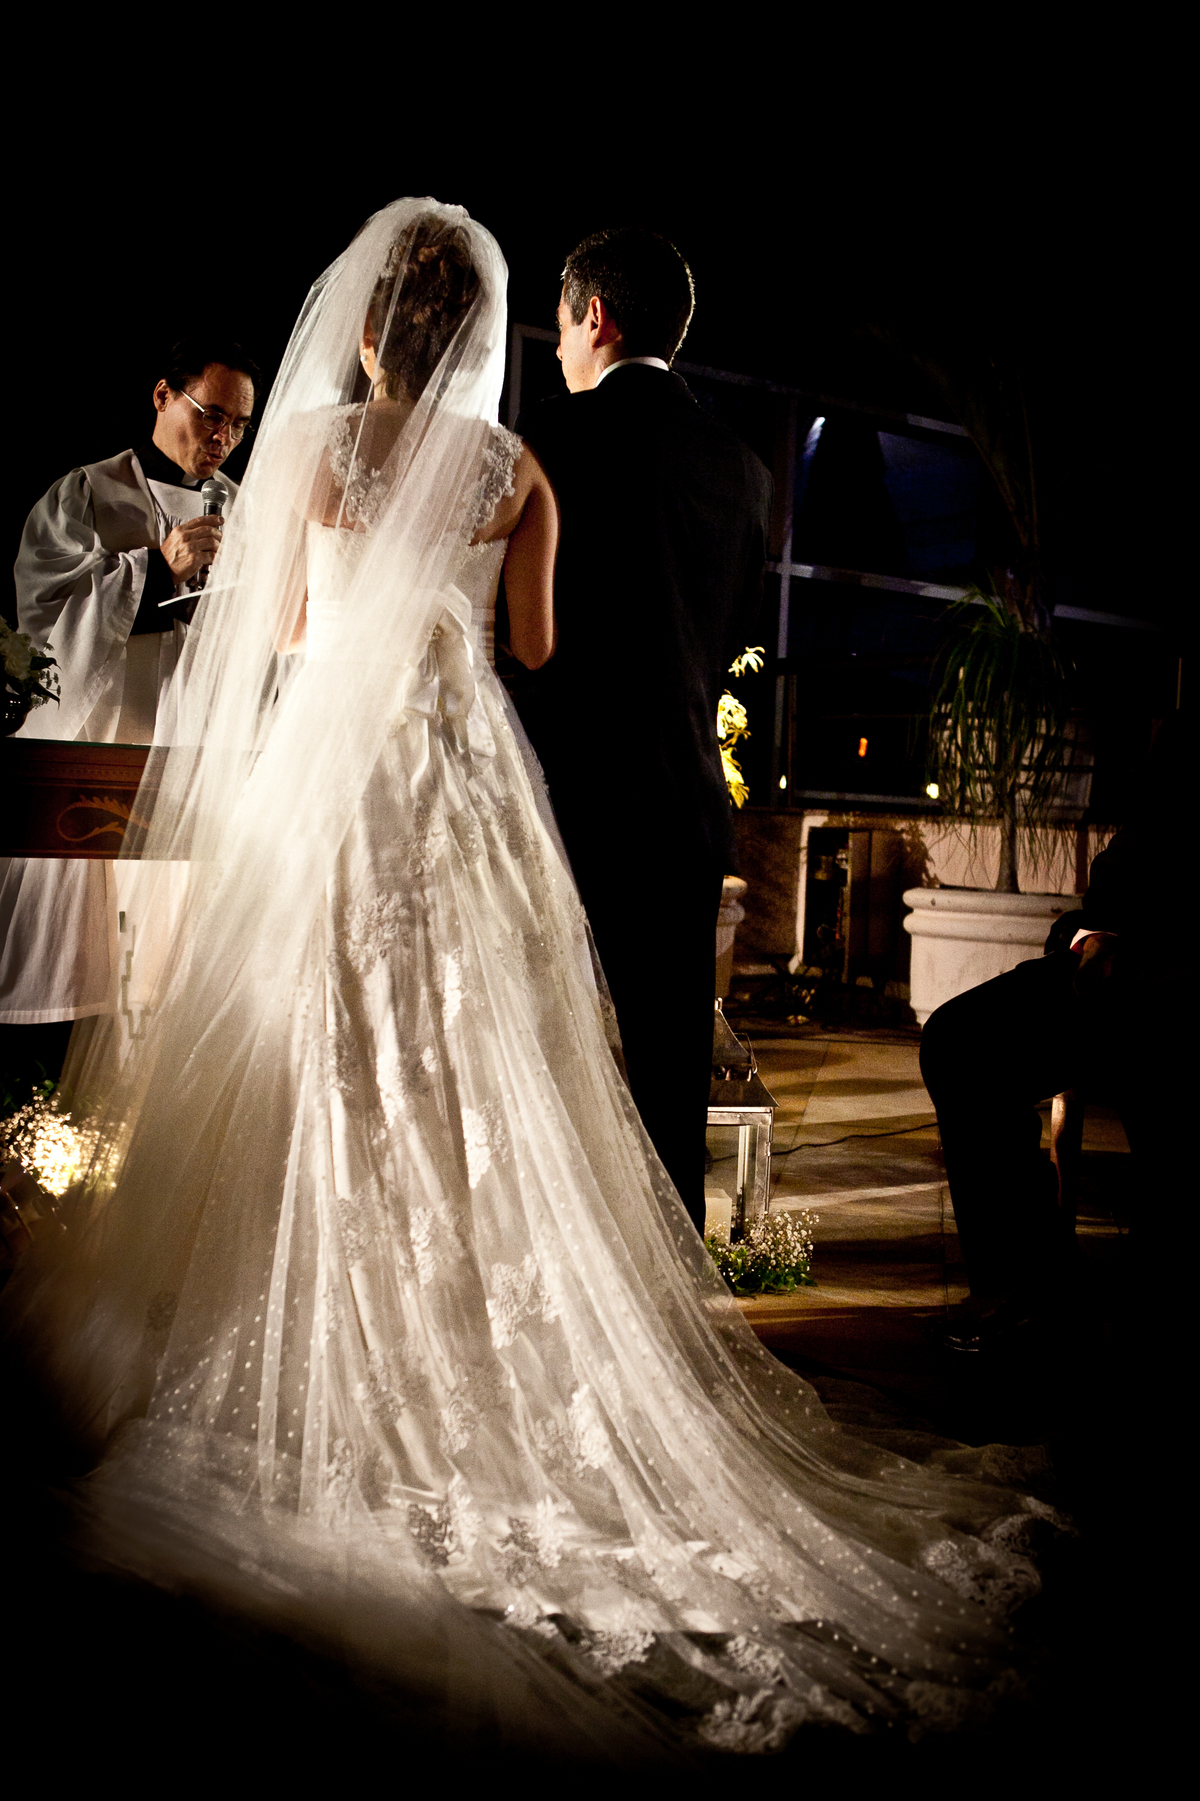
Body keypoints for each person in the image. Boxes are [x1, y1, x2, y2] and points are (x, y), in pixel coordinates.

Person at [3, 202, 1056, 1761]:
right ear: (479, 335)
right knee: (472, 1051)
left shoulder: (307, 453)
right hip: (465, 781)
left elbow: (282, 627)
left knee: (314, 1033)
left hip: (335, 783)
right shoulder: (517, 470)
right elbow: (537, 645)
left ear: (368, 329)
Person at [510, 230, 773, 1234]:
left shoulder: (551, 436)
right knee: (670, 1075)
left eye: (563, 323)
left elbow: (518, 631)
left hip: (564, 796)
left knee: (537, 1055)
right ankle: (674, 1282)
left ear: (596, 316)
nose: (560, 348)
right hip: (685, 802)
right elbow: (729, 637)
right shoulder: (745, 468)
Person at [0, 341, 258, 1055]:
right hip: (99, 747)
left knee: (178, 976)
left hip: (196, 747)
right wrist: (154, 569)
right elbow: (43, 617)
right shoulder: (85, 494)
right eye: (212, 414)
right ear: (163, 395)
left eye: (239, 426)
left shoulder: (244, 510)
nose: (223, 438)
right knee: (88, 966)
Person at [920, 712, 1182, 1348]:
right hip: (1123, 971)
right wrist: (1096, 934)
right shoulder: (1184, 738)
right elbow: (1124, 870)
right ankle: (1031, 1285)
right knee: (960, 1040)